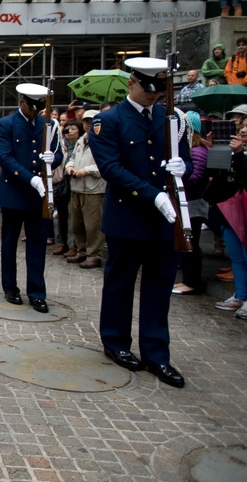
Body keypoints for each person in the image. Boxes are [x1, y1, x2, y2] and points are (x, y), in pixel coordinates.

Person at [88, 57, 191, 388]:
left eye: (159, 90)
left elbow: (184, 159)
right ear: (131, 82)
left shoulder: (172, 118)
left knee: (159, 287)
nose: (154, 96)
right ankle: (116, 342)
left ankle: (157, 353)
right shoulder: (109, 121)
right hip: (128, 217)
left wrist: (183, 168)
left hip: (166, 220)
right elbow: (111, 168)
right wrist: (153, 194)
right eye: (148, 89)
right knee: (120, 283)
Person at [0, 84, 63, 313]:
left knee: (37, 245)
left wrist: (52, 158)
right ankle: (10, 287)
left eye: (39, 108)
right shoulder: (6, 124)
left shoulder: (49, 125)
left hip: (39, 196)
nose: (34, 112)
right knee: (10, 243)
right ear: (21, 101)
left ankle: (36, 292)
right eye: (31, 107)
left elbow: (59, 152)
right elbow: (5, 157)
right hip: (14, 192)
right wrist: (30, 178)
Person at [213, 118, 247, 319]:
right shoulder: (233, 151)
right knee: (237, 257)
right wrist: (216, 147)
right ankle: (240, 295)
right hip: (230, 209)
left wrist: (240, 153)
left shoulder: (240, 153)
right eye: (242, 128)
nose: (243, 131)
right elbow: (217, 172)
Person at [172, 111, 210, 294]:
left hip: (194, 203)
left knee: (191, 244)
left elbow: (194, 177)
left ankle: (192, 281)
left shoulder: (198, 151)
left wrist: (176, 176)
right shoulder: (191, 149)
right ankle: (188, 279)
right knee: (186, 243)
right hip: (188, 202)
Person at [65, 110, 106, 268]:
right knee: (77, 223)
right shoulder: (81, 140)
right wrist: (69, 167)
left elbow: (104, 165)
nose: (88, 124)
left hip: (93, 188)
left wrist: (86, 170)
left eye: (91, 121)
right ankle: (81, 250)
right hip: (76, 187)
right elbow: (72, 158)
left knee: (93, 225)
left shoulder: (102, 140)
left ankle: (94, 254)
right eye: (86, 121)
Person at [51, 120, 80, 257]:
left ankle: (74, 245)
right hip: (61, 183)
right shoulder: (61, 145)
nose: (69, 131)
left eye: (73, 128)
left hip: (76, 182)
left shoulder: (80, 145)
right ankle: (62, 242)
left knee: (73, 216)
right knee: (61, 215)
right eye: (67, 128)